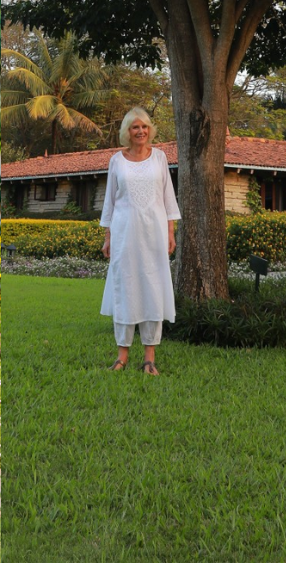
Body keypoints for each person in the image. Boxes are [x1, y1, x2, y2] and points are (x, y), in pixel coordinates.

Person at [101, 107, 180, 376]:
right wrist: (108, 236)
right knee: (126, 289)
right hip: (124, 234)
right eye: (135, 127)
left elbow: (168, 198)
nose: (141, 131)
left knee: (153, 288)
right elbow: (110, 201)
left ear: (150, 130)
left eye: (144, 127)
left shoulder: (160, 158)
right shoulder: (117, 161)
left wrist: (170, 232)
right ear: (127, 131)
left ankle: (149, 358)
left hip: (154, 234)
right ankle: (122, 355)